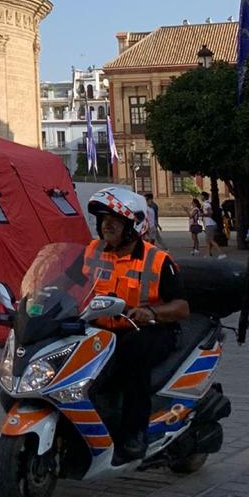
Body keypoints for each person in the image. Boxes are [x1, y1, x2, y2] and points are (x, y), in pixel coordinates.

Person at [82, 187, 188, 465]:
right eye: (104, 218)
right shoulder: (93, 251)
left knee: (132, 357)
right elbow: (68, 284)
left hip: (148, 330)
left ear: (134, 224)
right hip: (102, 330)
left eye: (115, 219)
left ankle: (133, 433)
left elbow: (181, 306)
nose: (107, 224)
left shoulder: (157, 260)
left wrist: (149, 311)